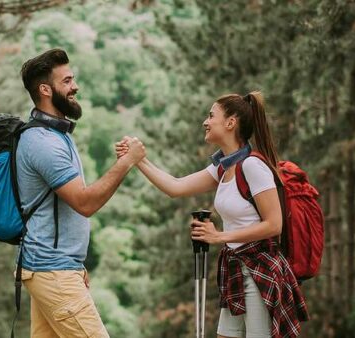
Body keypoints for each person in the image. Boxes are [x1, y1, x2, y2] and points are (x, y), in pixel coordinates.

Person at [116, 92, 308, 338]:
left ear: (230, 122)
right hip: (236, 269)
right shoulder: (223, 167)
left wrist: (219, 236)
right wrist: (137, 160)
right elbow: (176, 187)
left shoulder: (252, 166)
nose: (205, 122)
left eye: (211, 116)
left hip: (261, 271)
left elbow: (274, 225)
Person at [16, 48, 145, 338]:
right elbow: (84, 203)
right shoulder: (43, 142)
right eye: (67, 81)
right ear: (45, 90)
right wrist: (127, 162)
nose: (75, 86)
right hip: (53, 271)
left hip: (54, 268)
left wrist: (75, 264)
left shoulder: (57, 135)